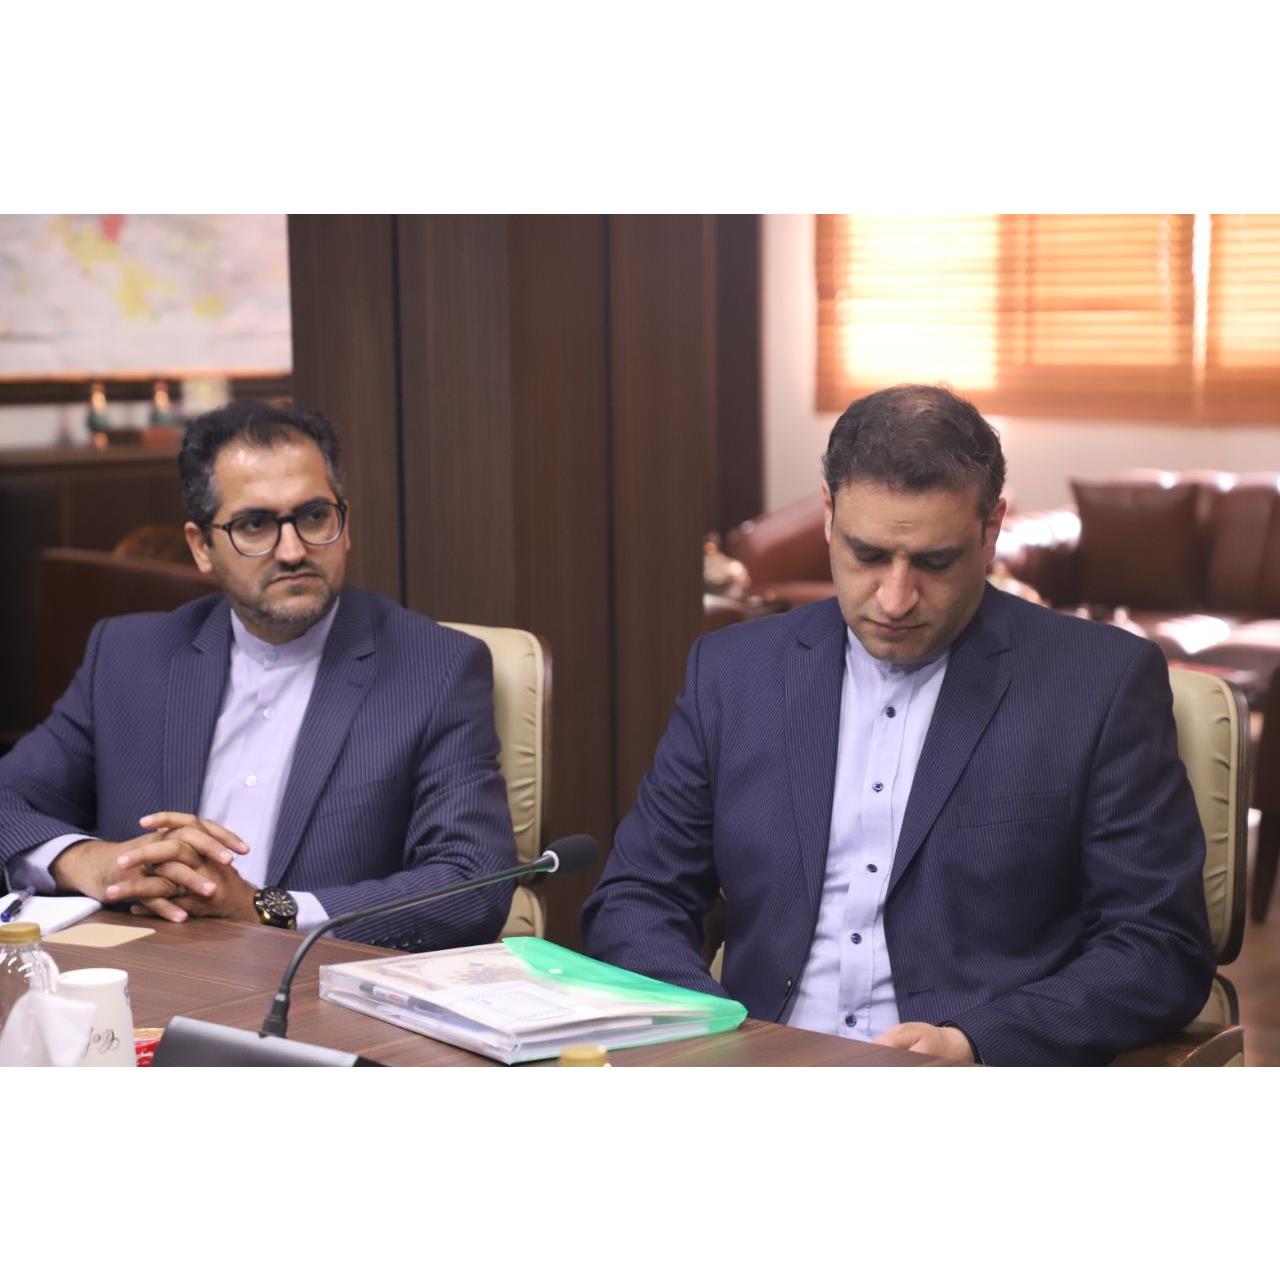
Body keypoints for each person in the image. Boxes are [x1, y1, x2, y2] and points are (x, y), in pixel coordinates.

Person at [582, 384, 1215, 1066]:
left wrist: (978, 1042)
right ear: (829, 514)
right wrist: (715, 1035)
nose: (895, 598)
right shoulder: (735, 672)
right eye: (868, 555)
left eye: (934, 562)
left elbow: (1159, 947)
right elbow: (636, 897)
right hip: (753, 1065)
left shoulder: (1098, 684)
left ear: (991, 529)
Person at [0, 401, 517, 948]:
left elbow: (474, 883)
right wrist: (88, 861)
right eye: (254, 525)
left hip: (315, 984)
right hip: (143, 975)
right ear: (202, 547)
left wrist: (265, 909)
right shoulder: (131, 657)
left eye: (314, 517)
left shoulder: (434, 668)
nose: (292, 551)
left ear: (345, 525)